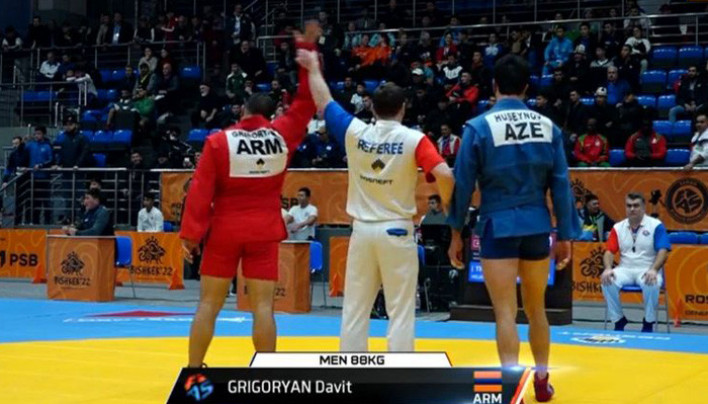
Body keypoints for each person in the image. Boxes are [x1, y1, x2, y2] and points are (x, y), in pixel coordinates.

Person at [296, 48, 455, 352]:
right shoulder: (413, 139)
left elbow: (324, 101)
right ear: (403, 108)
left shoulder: (356, 132)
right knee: (400, 311)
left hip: (362, 231)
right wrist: (447, 204)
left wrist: (313, 67)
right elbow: (444, 173)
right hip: (396, 230)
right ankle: (398, 373)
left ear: (371, 107)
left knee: (355, 309)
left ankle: (353, 370)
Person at [179, 25, 320, 367]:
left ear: (243, 111)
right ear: (271, 115)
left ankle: (194, 370)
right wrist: (307, 55)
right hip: (263, 232)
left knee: (208, 305)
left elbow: (200, 191)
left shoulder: (218, 141)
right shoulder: (282, 135)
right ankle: (266, 373)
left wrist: (191, 235)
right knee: (263, 307)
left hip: (224, 232)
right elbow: (306, 102)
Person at [446, 55, 580, 403]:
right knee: (536, 309)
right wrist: (566, 234)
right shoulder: (548, 127)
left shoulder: (478, 127)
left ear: (494, 87)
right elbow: (561, 184)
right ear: (526, 87)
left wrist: (455, 231)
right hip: (537, 227)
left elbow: (463, 183)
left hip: (497, 225)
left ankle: (510, 389)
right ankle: (542, 382)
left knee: (505, 312)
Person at [601, 193, 670, 332]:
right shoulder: (618, 227)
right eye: (629, 206)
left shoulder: (656, 225)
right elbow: (609, 251)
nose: (632, 209)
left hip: (647, 268)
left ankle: (648, 322)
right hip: (625, 269)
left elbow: (663, 251)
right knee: (607, 280)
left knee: (652, 282)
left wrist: (654, 270)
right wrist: (608, 268)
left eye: (636, 205)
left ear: (643, 207)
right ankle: (618, 319)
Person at [26, 126, 54, 225]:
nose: (37, 136)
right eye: (35, 134)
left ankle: (47, 222)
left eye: (39, 134)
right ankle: (35, 222)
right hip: (33, 178)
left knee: (46, 201)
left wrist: (41, 165)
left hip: (44, 178)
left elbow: (51, 160)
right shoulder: (30, 145)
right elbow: (23, 154)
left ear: (43, 134)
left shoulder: (47, 146)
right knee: (34, 202)